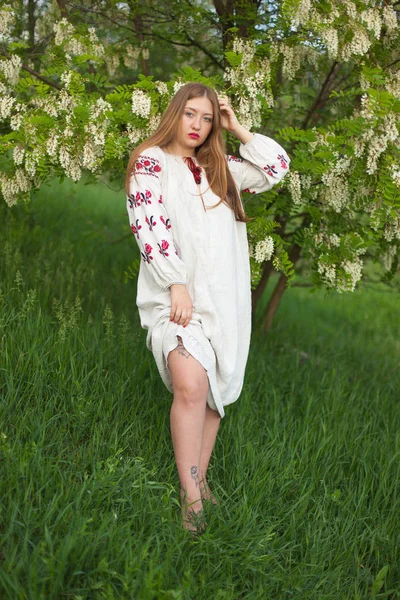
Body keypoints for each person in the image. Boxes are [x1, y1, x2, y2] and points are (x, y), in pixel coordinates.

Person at [125, 83, 290, 533]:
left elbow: (276, 168)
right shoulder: (150, 162)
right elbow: (149, 225)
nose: (197, 126)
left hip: (225, 299)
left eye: (207, 118)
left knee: (213, 395)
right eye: (190, 115)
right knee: (191, 385)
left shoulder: (223, 168)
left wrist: (238, 128)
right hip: (176, 295)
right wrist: (175, 283)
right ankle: (192, 498)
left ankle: (198, 480)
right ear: (173, 114)